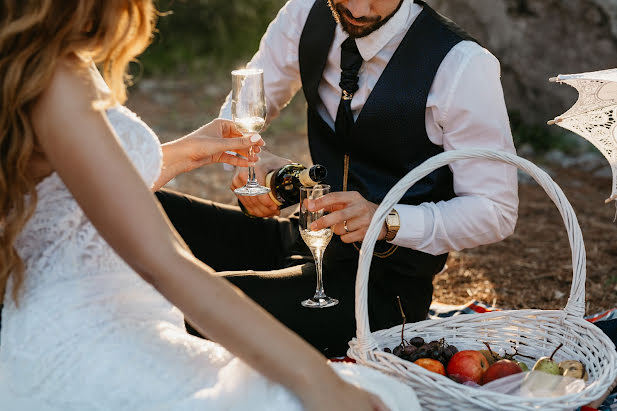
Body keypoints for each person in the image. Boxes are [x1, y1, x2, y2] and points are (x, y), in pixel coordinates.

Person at [0, 1, 419, 409]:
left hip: (93, 312)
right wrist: (317, 380)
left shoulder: (34, 67)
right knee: (371, 397)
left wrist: (187, 153)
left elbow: (75, 183)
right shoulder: (60, 79)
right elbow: (164, 263)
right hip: (87, 330)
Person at [155, 0, 519, 357]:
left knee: (195, 305)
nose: (358, 9)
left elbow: (495, 210)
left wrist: (387, 220)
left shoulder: (463, 66)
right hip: (302, 241)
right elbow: (245, 104)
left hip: (379, 293)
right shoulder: (302, 14)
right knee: (137, 207)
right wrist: (248, 165)